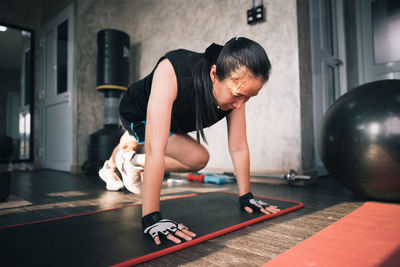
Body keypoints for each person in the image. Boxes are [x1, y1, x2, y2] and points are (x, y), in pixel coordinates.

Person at [98, 37, 280, 245]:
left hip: (172, 120)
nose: (240, 105)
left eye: (248, 97)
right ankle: (112, 165)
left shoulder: (237, 89)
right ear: (214, 74)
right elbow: (155, 149)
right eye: (238, 95)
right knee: (136, 141)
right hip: (138, 112)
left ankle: (131, 162)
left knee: (199, 158)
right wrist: (152, 219)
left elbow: (238, 147)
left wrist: (246, 196)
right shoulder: (173, 71)